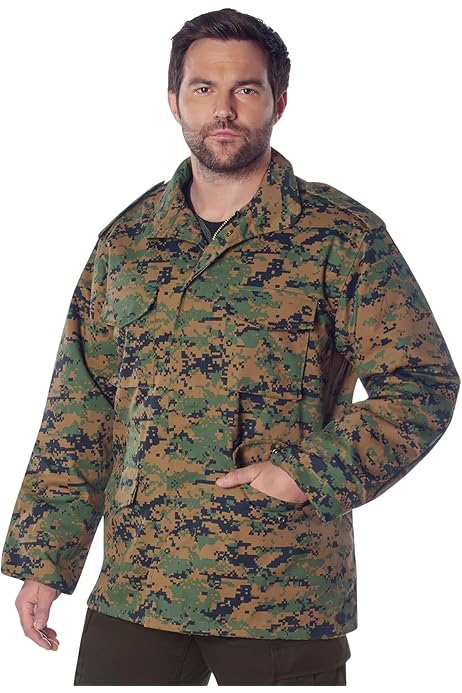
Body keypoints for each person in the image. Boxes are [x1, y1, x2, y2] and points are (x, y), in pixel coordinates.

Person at [1, 6, 460, 687]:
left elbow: (422, 383)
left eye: (246, 88)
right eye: (203, 88)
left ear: (278, 101)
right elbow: (83, 406)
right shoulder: (128, 243)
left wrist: (311, 471)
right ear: (173, 101)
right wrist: (47, 557)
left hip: (281, 587)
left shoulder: (339, 235)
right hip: (139, 586)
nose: (224, 109)